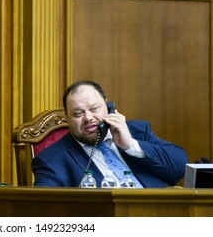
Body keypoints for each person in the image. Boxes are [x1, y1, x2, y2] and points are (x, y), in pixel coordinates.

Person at [32, 80, 189, 188]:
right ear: (67, 117)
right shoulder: (51, 160)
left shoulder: (137, 131)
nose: (88, 118)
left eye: (94, 109)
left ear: (108, 106)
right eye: (78, 113)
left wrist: (131, 146)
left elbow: (181, 166)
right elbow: (45, 210)